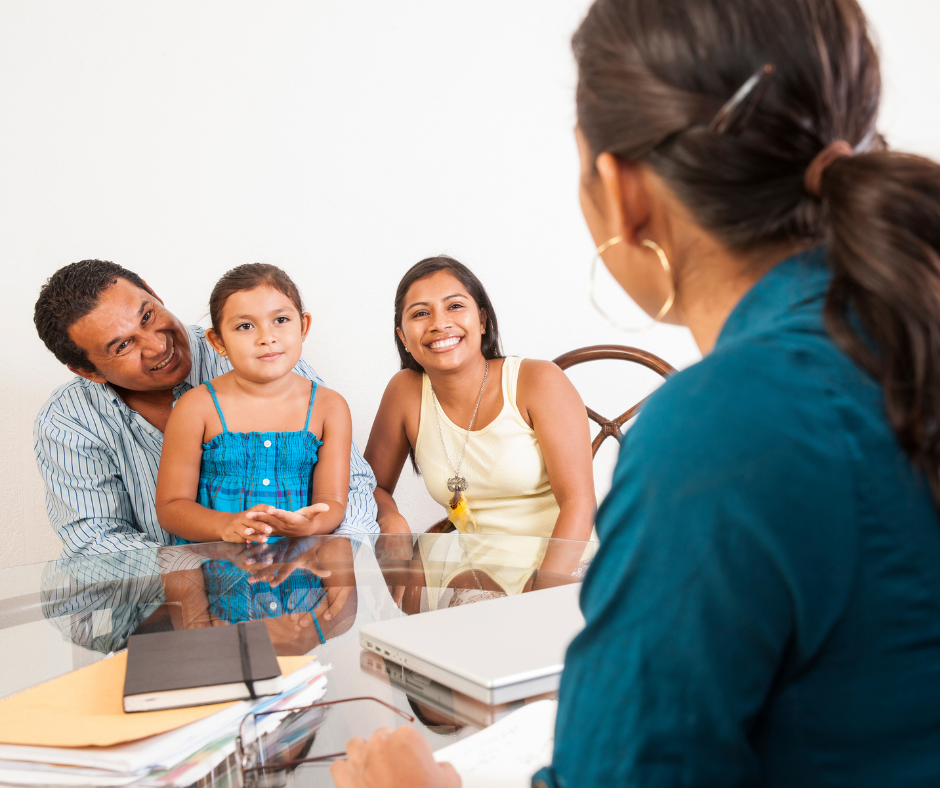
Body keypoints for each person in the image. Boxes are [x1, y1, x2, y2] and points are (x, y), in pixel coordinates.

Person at [331, 0, 940, 786]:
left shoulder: (721, 427)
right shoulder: (889, 340)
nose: (438, 324)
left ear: (623, 194)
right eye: (419, 314)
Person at [32, 259, 378, 565]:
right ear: (88, 372)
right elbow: (96, 542)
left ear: (153, 292)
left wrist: (327, 557)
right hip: (156, 604)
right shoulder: (68, 421)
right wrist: (208, 573)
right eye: (123, 345)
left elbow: (352, 487)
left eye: (148, 316)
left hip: (298, 580)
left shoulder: (269, 359)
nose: (156, 346)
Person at [364, 256, 596, 607]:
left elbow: (579, 502)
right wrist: (391, 518)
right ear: (403, 336)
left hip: (565, 559)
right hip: (474, 566)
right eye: (420, 313)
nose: (440, 324)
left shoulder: (538, 381)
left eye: (455, 306)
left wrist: (542, 597)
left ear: (482, 320)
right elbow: (370, 486)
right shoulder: (405, 392)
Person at [155, 263, 354, 634]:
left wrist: (307, 523)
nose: (267, 337)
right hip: (216, 589)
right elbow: (170, 508)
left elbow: (333, 502)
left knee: (300, 678)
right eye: (245, 326)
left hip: (301, 585)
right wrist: (225, 525)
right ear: (218, 342)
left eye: (280, 320)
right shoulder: (196, 408)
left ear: (304, 326)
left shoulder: (329, 407)